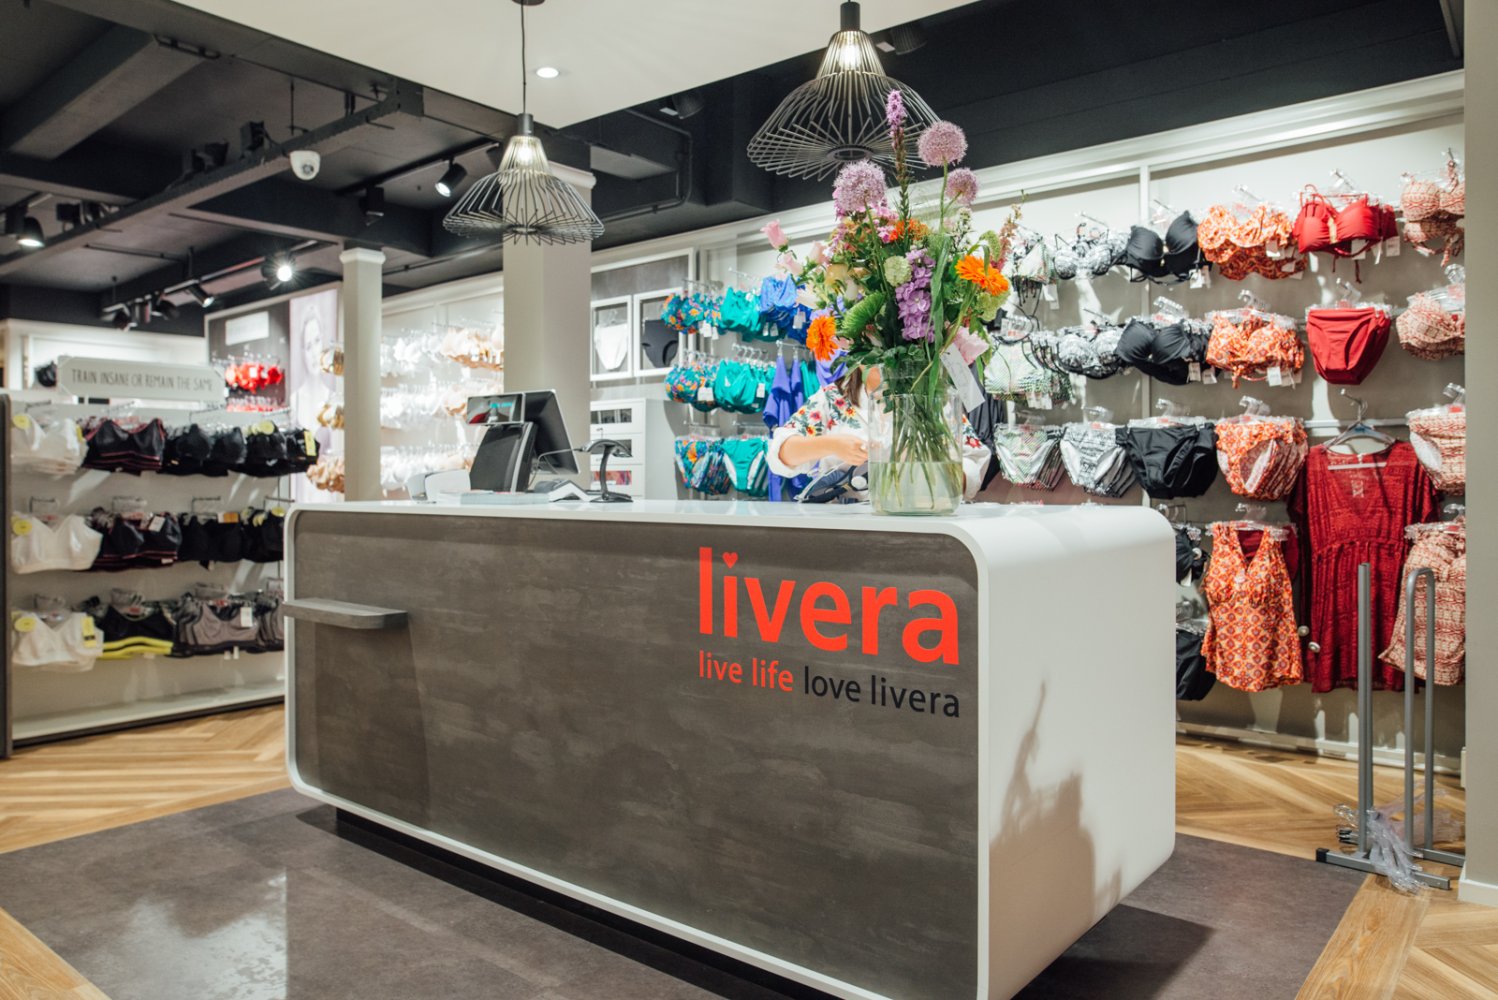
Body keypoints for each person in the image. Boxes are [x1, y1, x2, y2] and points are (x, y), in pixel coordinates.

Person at [766, 365, 990, 503]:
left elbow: (973, 462)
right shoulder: (833, 398)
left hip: (919, 524)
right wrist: (833, 445)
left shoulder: (932, 401)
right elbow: (781, 454)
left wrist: (926, 468)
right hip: (842, 528)